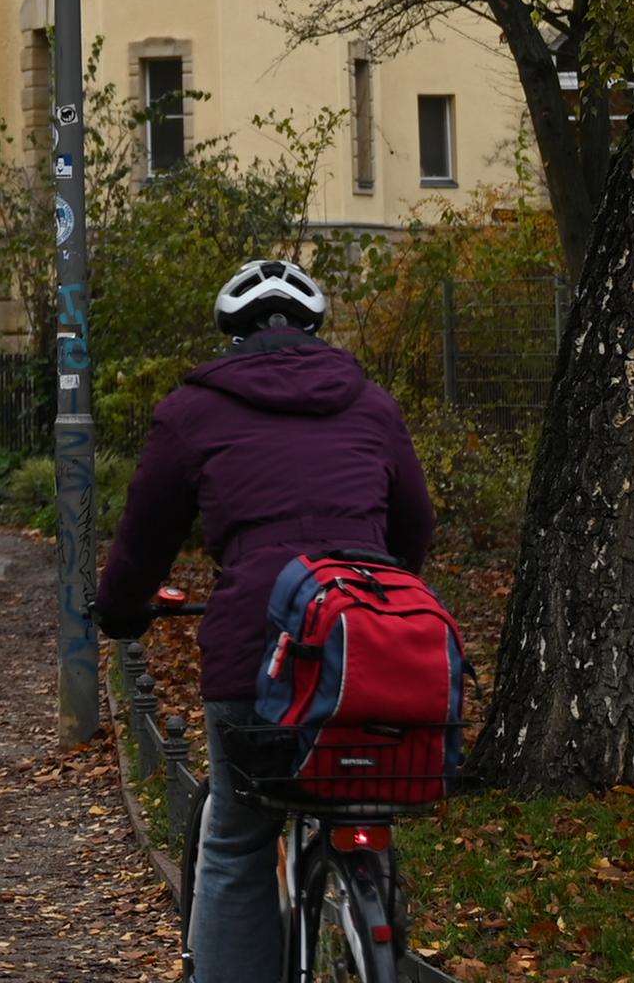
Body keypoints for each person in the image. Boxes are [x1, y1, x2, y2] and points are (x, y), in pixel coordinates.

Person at [95, 258, 436, 983]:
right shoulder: (373, 405)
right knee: (361, 786)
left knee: (238, 837)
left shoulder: (191, 411)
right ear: (315, 331)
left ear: (232, 338)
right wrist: (379, 591)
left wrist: (121, 613)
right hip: (369, 649)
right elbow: (414, 529)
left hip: (258, 652)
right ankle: (369, 914)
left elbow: (143, 540)